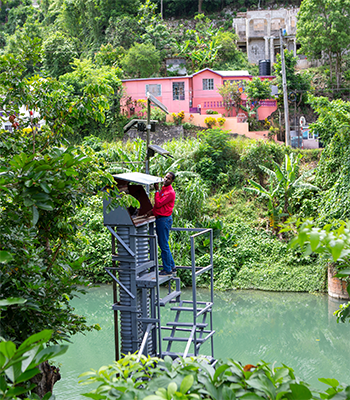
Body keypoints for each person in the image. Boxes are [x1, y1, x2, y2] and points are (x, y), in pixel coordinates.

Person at [152, 172, 176, 276]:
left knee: (163, 245)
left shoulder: (170, 192)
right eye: (166, 177)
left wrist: (156, 190)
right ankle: (172, 266)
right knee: (164, 244)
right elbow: (158, 206)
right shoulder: (164, 189)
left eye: (169, 178)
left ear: (172, 181)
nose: (166, 179)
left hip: (164, 220)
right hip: (161, 219)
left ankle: (167, 269)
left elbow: (158, 203)